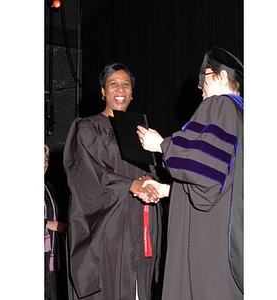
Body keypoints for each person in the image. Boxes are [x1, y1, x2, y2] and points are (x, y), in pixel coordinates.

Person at [137, 46, 243, 300]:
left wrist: (161, 145)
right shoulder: (242, 115)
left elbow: (203, 169)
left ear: (221, 77)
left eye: (204, 77)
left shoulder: (220, 106)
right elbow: (220, 179)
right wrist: (168, 190)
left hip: (210, 241)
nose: (200, 86)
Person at [63, 63, 163, 300]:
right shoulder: (87, 128)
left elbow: (150, 173)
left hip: (140, 225)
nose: (120, 89)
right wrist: (129, 185)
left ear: (132, 92)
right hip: (108, 230)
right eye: (114, 84)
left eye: (126, 84)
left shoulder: (140, 131)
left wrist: (151, 185)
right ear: (103, 91)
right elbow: (87, 175)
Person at [45, 145, 68, 300]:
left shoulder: (49, 187)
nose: (44, 163)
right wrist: (48, 224)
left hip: (51, 253)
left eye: (46, 160)